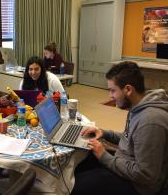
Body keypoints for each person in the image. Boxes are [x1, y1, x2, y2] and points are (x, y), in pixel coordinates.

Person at [71, 61, 168, 195]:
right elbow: (131, 139)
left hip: (138, 187)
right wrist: (104, 133)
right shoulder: (138, 106)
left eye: (113, 90)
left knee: (73, 187)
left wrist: (105, 157)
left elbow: (146, 175)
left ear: (128, 89)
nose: (110, 96)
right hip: (124, 164)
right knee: (79, 162)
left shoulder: (151, 121)